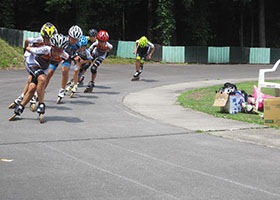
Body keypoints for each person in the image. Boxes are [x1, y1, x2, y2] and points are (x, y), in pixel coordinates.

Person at [10, 34, 69, 122]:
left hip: (43, 68)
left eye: (60, 51)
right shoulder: (44, 50)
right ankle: (41, 104)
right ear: (52, 47)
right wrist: (25, 53)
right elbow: (28, 49)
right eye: (56, 50)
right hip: (32, 62)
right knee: (42, 79)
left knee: (32, 87)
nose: (57, 53)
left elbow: (73, 58)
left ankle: (20, 106)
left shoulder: (64, 55)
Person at [9, 22, 58, 109]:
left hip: (43, 61)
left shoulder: (54, 43)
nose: (48, 41)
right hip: (33, 58)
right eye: (46, 39)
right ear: (43, 37)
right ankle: (24, 97)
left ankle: (29, 97)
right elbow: (27, 40)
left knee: (38, 79)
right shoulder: (38, 40)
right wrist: (25, 51)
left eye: (50, 39)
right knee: (32, 79)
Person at [57, 25, 83, 103]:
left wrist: (77, 60)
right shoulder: (63, 40)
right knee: (50, 71)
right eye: (73, 39)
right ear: (69, 36)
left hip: (68, 57)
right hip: (58, 55)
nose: (74, 41)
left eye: (76, 39)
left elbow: (76, 54)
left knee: (65, 70)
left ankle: (63, 89)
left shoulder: (78, 45)